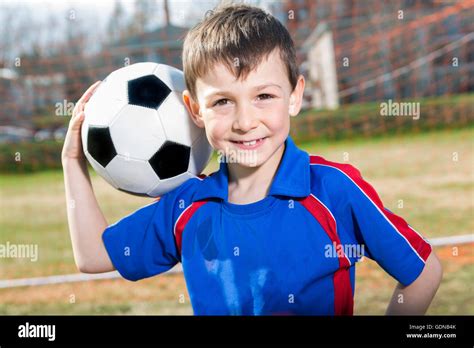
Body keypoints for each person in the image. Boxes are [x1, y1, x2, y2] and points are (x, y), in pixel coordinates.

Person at [61, 4, 442, 315]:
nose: (245, 122)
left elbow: (422, 272)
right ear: (195, 110)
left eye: (264, 97)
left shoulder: (332, 189)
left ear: (295, 95)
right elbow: (94, 255)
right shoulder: (186, 207)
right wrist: (72, 160)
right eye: (223, 102)